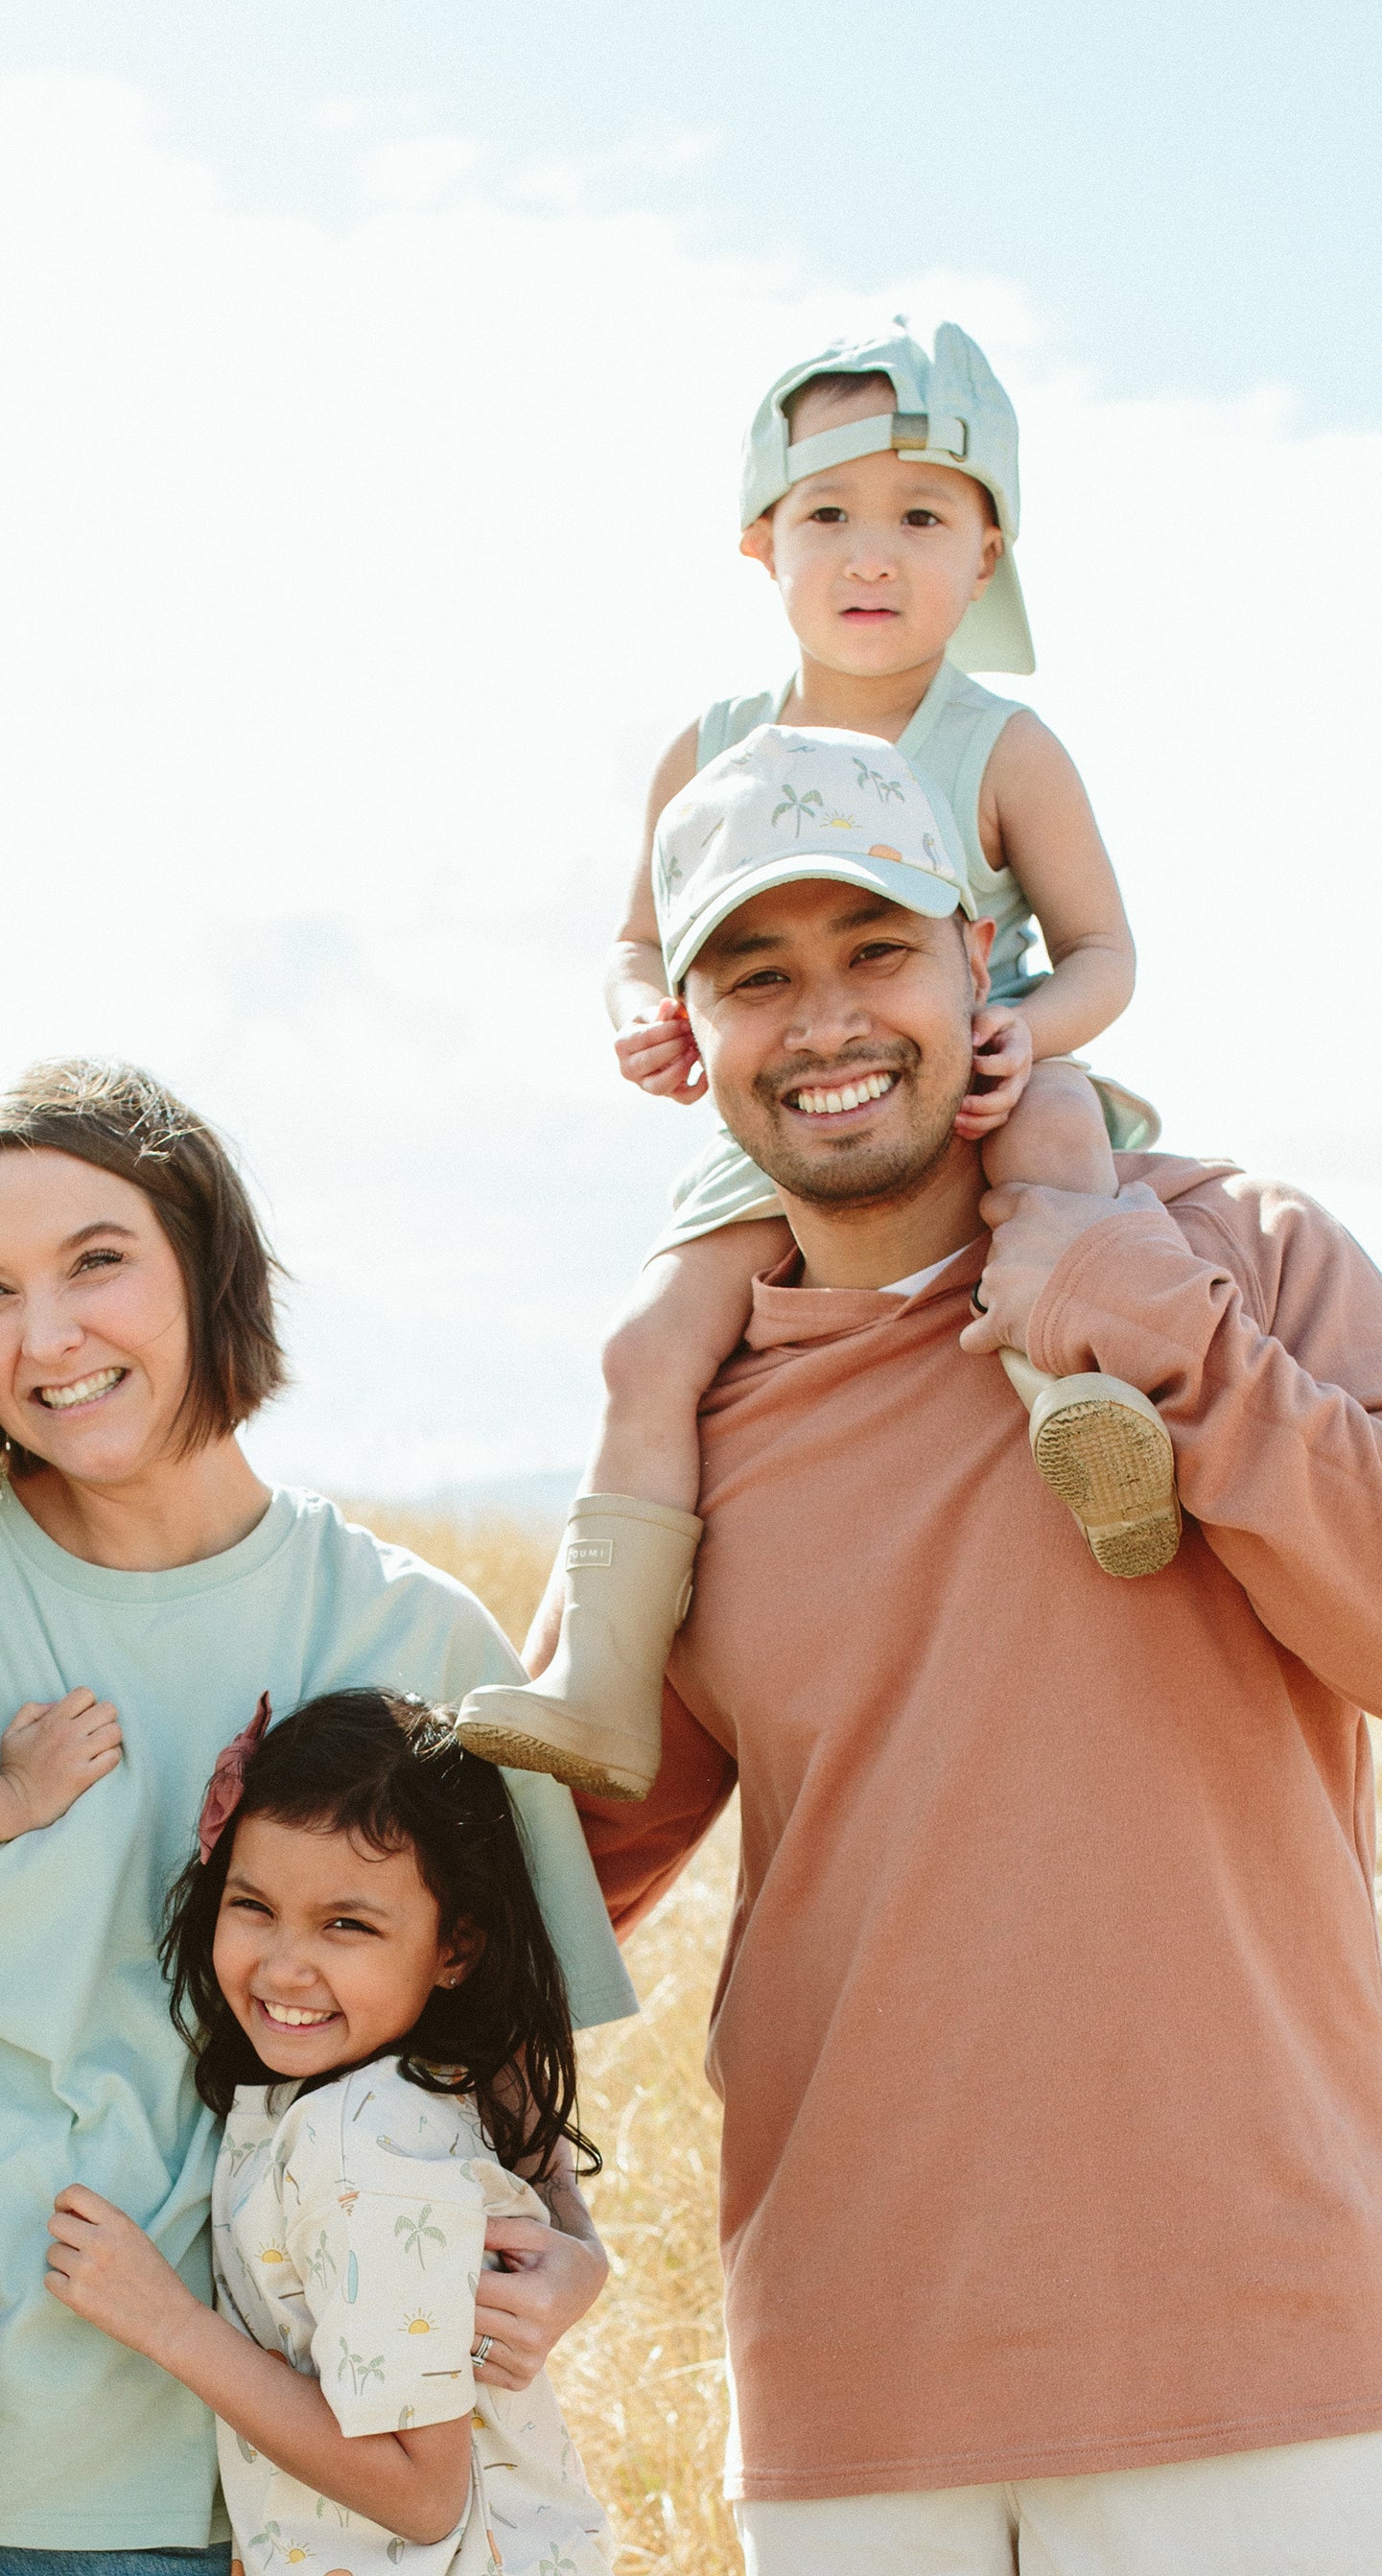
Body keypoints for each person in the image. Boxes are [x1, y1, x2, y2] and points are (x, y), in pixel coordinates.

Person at [560, 736, 1382, 2575]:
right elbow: (551, 1867)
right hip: (857, 2407)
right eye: (756, 976)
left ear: (979, 961)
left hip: (1265, 2382)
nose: (825, 1020)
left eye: (876, 950)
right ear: (693, 1035)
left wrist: (1167, 1337)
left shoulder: (1233, 1251)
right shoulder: (701, 1401)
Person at [456, 320, 1181, 1805]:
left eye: (924, 517)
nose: (873, 553)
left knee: (1054, 1154)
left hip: (978, 1065)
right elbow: (637, 940)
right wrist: (639, 1012)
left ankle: (1074, 1408)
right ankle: (599, 1683)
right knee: (651, 1345)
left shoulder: (1004, 746)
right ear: (758, 546)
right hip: (793, 1107)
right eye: (829, 514)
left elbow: (1107, 951)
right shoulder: (712, 749)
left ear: (987, 556)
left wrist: (1023, 1034)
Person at [0, 1058, 635, 2573]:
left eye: (97, 1262)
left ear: (208, 1268)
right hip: (33, 2467)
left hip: (334, 2489)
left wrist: (580, 2265)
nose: (43, 1336)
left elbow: (511, 2073)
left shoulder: (414, 1641)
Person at [44, 1688, 612, 2576]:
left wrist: (166, 2324)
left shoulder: (369, 2138)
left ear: (454, 1948)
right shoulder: (334, 2106)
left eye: (347, 1924)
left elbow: (421, 2498)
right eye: (254, 1906)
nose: (283, 1965)